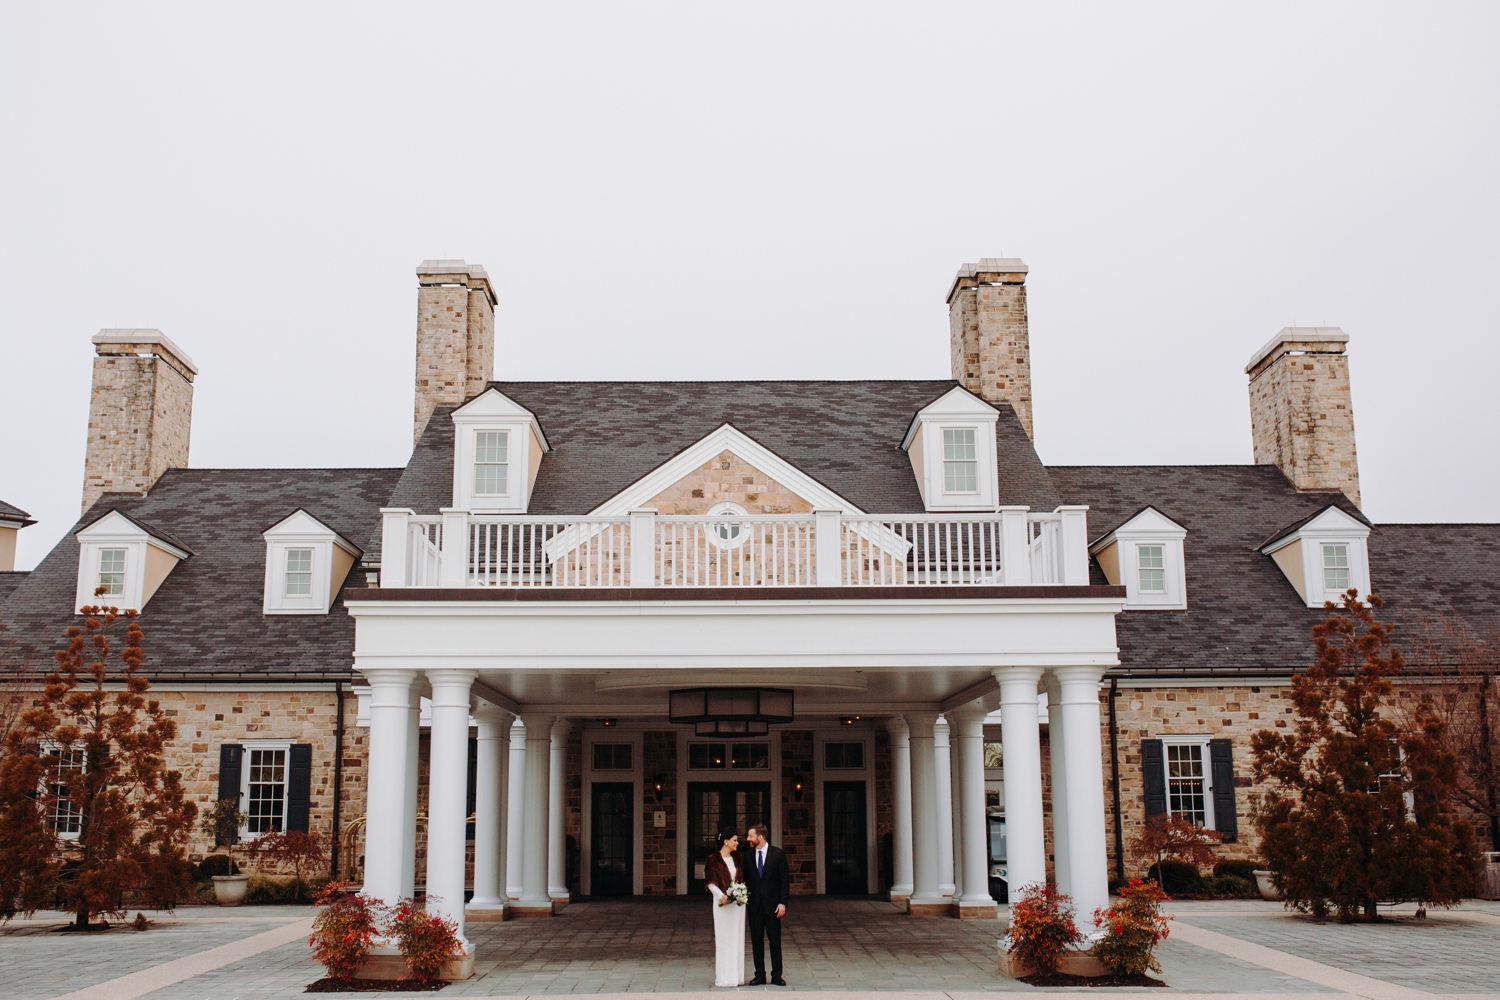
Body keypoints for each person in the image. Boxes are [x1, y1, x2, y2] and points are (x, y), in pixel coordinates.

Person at [741, 823, 790, 986]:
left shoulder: (777, 854)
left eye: (751, 836)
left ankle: (777, 975)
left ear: (760, 837)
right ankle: (759, 974)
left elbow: (784, 881)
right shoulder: (747, 856)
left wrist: (783, 903)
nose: (748, 839)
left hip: (773, 906)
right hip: (754, 905)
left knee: (775, 940)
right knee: (756, 940)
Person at [704, 827, 746, 988]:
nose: (737, 843)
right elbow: (709, 881)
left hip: (737, 905)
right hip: (722, 903)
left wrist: (740, 893)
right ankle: (724, 977)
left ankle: (737, 976)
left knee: (737, 937)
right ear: (726, 841)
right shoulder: (713, 859)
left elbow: (741, 878)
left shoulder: (738, 858)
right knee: (724, 939)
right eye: (735, 840)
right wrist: (720, 895)